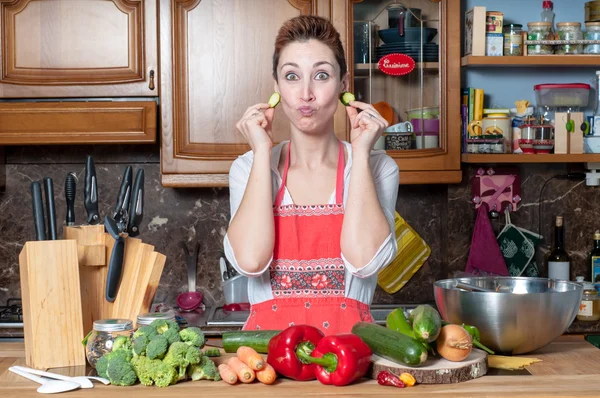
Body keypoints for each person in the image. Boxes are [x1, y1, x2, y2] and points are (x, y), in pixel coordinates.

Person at [223, 15, 399, 335]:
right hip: (267, 366)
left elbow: (364, 261)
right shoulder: (248, 168)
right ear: (276, 88)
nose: (306, 94)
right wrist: (263, 152)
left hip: (349, 363)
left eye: (321, 75)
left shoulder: (377, 168)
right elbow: (250, 260)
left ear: (344, 85)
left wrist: (361, 154)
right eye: (292, 76)